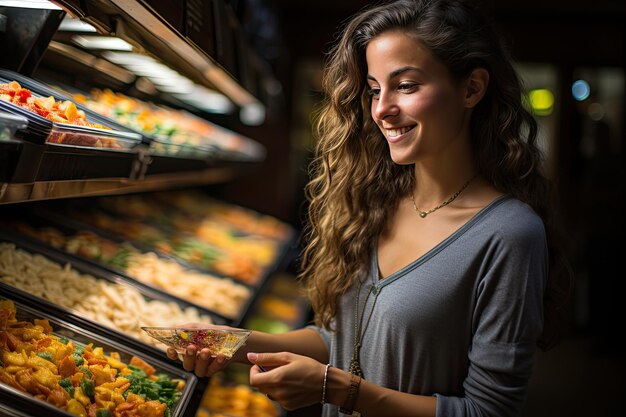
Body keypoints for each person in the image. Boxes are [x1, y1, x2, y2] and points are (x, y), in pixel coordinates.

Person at [168, 0, 572, 416]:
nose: (381, 109)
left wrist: (342, 391)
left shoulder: (509, 234)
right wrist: (233, 343)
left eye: (407, 86)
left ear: (471, 88)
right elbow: (340, 339)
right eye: (376, 89)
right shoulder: (373, 201)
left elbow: (488, 411)